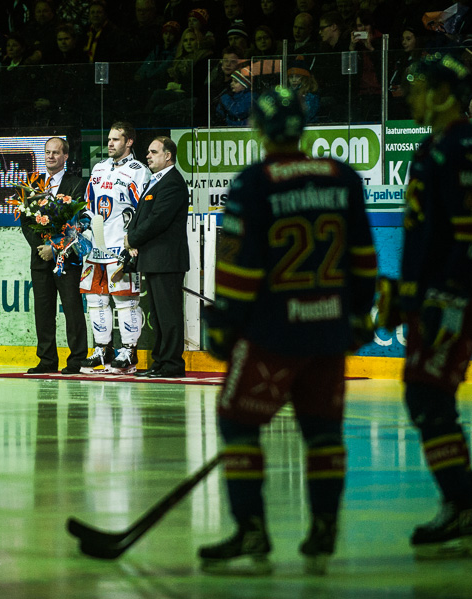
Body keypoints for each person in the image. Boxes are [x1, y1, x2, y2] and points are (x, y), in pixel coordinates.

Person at [198, 86, 378, 575]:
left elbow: (241, 270)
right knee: (323, 433)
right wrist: (360, 314)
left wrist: (223, 324)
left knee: (239, 422)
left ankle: (251, 529)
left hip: (273, 335)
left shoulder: (255, 183)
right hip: (327, 333)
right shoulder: (342, 177)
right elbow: (362, 256)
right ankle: (323, 529)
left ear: (259, 130)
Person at [376, 52, 472, 559]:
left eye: (418, 86)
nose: (409, 95)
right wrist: (404, 292)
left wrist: (446, 296)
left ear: (442, 93)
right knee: (426, 395)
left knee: (428, 395)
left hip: (448, 300)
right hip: (432, 297)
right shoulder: (432, 147)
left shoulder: (458, 148)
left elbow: (463, 236)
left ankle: (461, 501)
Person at [80, 122, 151, 374]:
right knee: (95, 299)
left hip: (121, 246)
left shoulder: (138, 170)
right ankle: (102, 349)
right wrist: (83, 226)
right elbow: (89, 203)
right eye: (109, 139)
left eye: (116, 140)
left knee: (125, 301)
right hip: (94, 247)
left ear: (129, 141)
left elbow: (143, 212)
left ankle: (129, 350)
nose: (110, 143)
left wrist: (133, 243)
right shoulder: (98, 168)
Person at [124, 136, 190, 378]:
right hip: (155, 259)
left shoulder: (172, 182)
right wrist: (134, 236)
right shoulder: (156, 180)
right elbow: (144, 217)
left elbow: (158, 220)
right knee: (159, 316)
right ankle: (161, 362)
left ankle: (172, 364)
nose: (148, 156)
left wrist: (133, 238)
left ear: (168, 155)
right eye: (148, 152)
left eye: (153, 152)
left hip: (167, 260)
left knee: (169, 315)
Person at [22, 137, 88, 375]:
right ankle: (47, 360)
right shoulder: (34, 184)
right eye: (48, 152)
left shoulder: (76, 184)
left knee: (72, 310)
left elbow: (78, 223)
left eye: (56, 153)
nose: (51, 156)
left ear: (65, 156)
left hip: (66, 260)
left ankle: (77, 360)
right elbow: (26, 221)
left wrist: (56, 248)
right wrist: (42, 248)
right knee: (43, 310)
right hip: (40, 258)